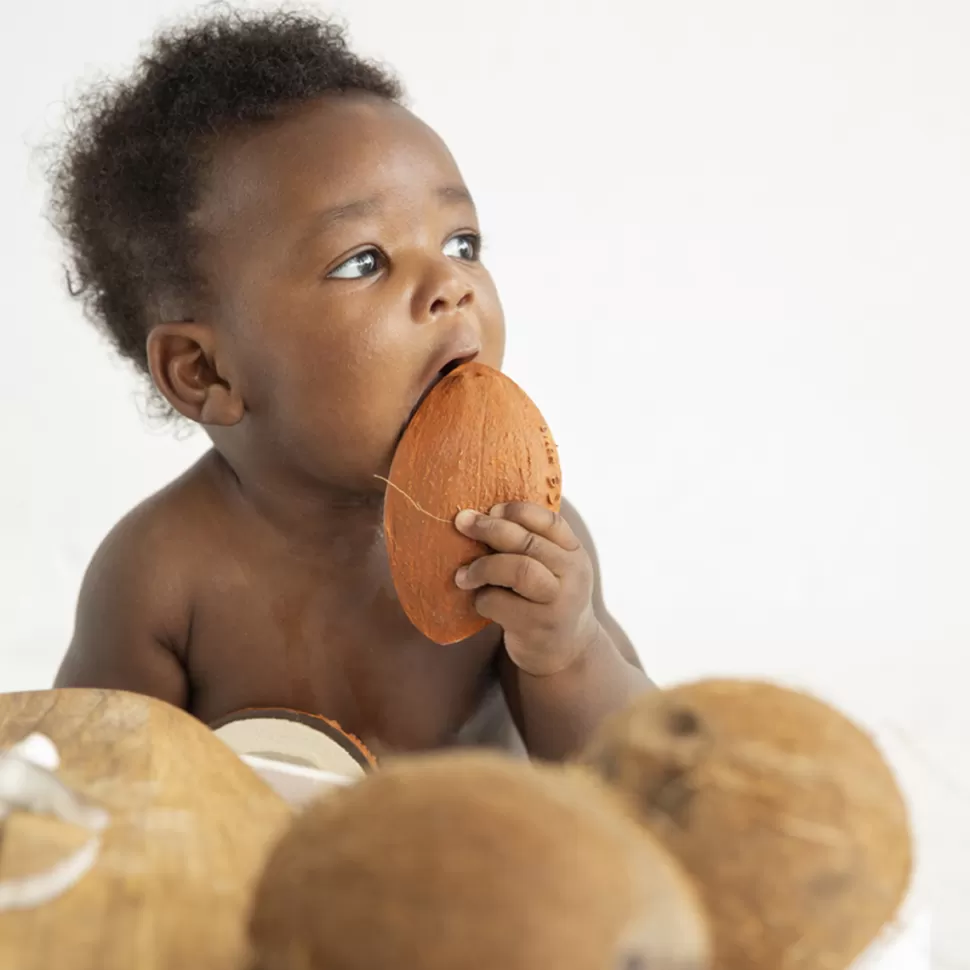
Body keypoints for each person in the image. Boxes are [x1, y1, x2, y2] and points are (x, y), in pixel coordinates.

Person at [51, 8, 651, 761]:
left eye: (460, 243)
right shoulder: (160, 577)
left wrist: (569, 650)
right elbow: (84, 788)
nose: (450, 284)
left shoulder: (517, 539)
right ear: (205, 372)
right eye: (363, 260)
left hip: (478, 860)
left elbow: (636, 774)